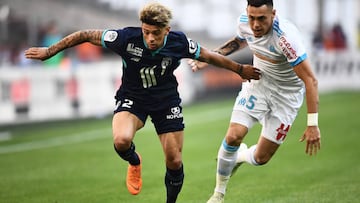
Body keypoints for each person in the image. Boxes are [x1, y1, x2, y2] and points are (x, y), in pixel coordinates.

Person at [24, 2, 260, 203]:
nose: (150, 38)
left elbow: (209, 56)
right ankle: (135, 162)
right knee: (121, 140)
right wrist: (50, 51)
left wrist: (240, 69)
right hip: (133, 98)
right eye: (146, 31)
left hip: (166, 101)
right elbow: (85, 34)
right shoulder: (126, 38)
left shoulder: (179, 42)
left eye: (155, 33)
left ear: (166, 30)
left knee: (175, 160)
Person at [190, 0, 321, 202]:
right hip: (259, 84)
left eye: (261, 19)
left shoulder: (286, 38)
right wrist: (211, 57)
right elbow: (238, 41)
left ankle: (241, 157)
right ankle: (218, 195)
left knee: (261, 158)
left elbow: (311, 80)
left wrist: (312, 124)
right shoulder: (244, 23)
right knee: (234, 135)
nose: (256, 24)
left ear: (273, 14)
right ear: (247, 13)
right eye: (252, 18)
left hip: (286, 98)